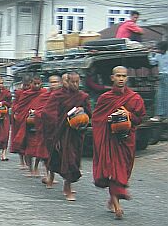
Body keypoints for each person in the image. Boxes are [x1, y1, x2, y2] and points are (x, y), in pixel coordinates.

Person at [92, 66, 146, 219]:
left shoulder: (134, 98)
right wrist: (108, 120)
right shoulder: (105, 98)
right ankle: (117, 208)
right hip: (111, 139)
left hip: (127, 140)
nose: (121, 79)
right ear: (112, 78)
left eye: (123, 76)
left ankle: (113, 197)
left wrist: (128, 114)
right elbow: (96, 119)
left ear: (127, 78)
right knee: (113, 171)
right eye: (118, 76)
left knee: (124, 169)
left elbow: (139, 118)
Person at [42, 72, 92, 201]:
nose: (75, 85)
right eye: (72, 82)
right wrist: (63, 121)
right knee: (67, 159)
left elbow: (90, 114)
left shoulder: (83, 96)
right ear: (67, 82)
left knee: (74, 160)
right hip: (62, 133)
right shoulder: (58, 96)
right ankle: (68, 188)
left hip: (76, 133)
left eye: (77, 82)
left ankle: (66, 184)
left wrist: (82, 113)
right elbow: (48, 112)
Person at [11, 75, 47, 176]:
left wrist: (38, 113)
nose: (36, 85)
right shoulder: (26, 94)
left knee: (39, 148)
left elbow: (46, 107)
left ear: (41, 83)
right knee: (28, 148)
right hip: (27, 124)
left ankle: (36, 167)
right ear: (31, 84)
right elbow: (20, 108)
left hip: (40, 124)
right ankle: (31, 168)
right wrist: (27, 113)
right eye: (34, 84)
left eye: (38, 83)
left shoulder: (44, 93)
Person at [34, 75, 62, 182]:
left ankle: (53, 175)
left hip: (59, 129)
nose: (53, 84)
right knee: (46, 153)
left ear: (60, 83)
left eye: (55, 82)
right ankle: (48, 175)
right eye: (51, 82)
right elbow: (38, 111)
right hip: (46, 128)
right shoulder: (44, 96)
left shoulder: (63, 96)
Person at [10, 75, 32, 168]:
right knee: (20, 139)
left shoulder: (36, 93)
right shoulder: (19, 93)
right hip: (19, 118)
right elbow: (14, 104)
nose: (26, 88)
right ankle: (21, 161)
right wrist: (16, 112)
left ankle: (28, 161)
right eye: (25, 85)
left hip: (30, 118)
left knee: (29, 140)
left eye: (28, 86)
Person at [150, 41, 168, 121]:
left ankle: (164, 116)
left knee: (165, 96)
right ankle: (160, 115)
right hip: (162, 76)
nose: (157, 50)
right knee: (160, 96)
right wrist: (150, 54)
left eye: (159, 49)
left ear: (164, 49)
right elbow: (152, 62)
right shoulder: (158, 55)